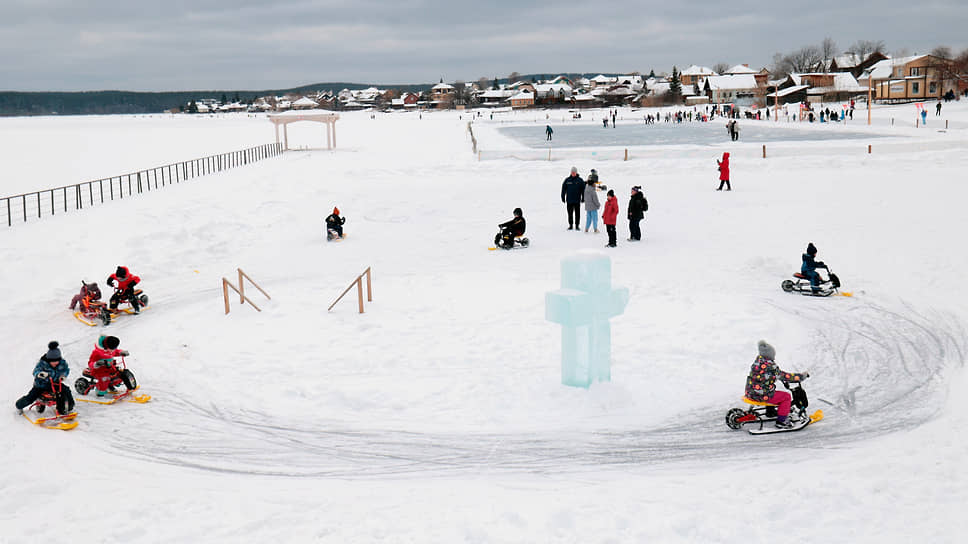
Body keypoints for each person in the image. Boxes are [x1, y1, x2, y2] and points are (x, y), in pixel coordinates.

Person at [745, 340, 808, 429]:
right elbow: (785, 376)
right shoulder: (770, 365)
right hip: (761, 395)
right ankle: (782, 421)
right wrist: (800, 377)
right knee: (786, 397)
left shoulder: (758, 362)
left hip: (751, 392)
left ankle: (770, 412)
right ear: (769, 355)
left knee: (771, 391)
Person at [15, 341, 74, 416]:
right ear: (49, 360)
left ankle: (67, 408)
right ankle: (19, 405)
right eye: (53, 361)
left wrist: (63, 375)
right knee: (31, 397)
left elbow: (66, 370)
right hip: (41, 385)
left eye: (57, 361)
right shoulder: (42, 364)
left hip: (55, 383)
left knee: (65, 390)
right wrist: (40, 374)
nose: (56, 363)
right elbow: (35, 371)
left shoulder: (62, 363)